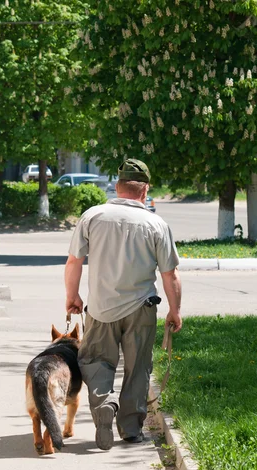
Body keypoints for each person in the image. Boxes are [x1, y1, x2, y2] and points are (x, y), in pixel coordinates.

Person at [64, 158, 182, 450]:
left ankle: (105, 402)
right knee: (138, 368)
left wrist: (73, 296)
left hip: (100, 309)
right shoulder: (156, 223)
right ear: (145, 191)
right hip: (141, 308)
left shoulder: (93, 216)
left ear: (117, 187)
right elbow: (170, 274)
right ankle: (130, 429)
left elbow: (73, 261)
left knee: (94, 361)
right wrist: (175, 310)